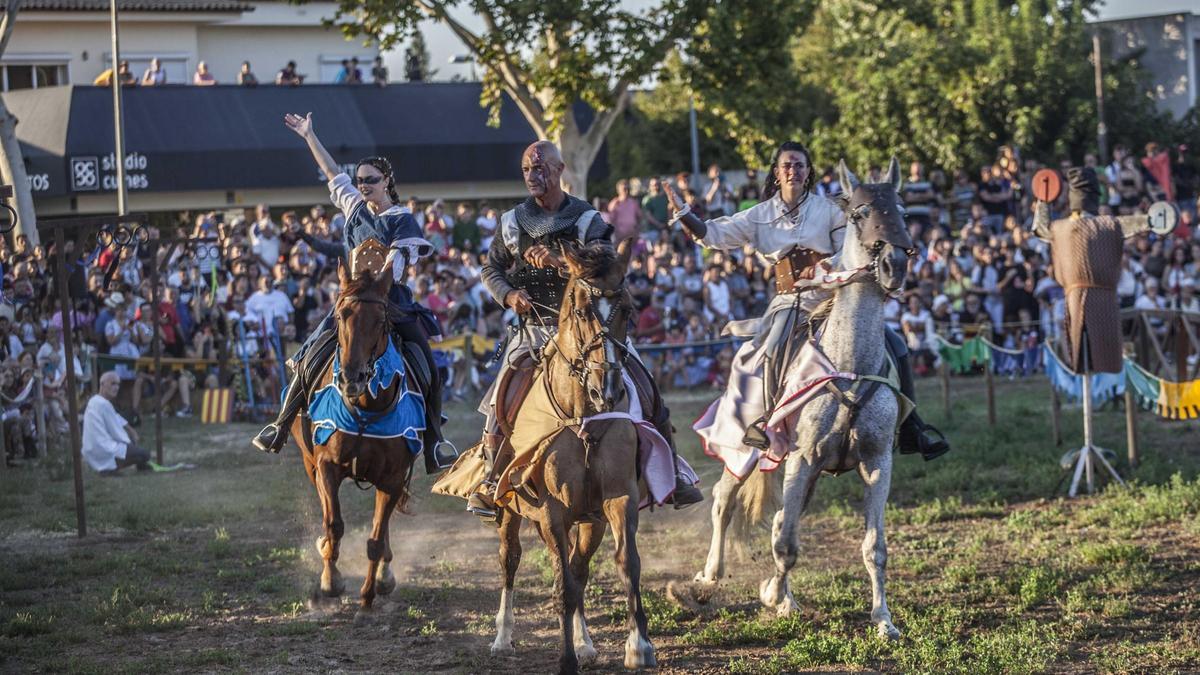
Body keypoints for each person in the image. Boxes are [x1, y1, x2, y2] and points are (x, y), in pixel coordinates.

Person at [666, 140, 949, 461]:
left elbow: (848, 247)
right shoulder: (758, 215)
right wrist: (684, 214)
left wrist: (830, 268)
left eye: (800, 165)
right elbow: (715, 234)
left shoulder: (828, 209)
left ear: (808, 171)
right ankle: (766, 422)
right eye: (787, 165)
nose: (793, 170)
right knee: (773, 349)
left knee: (895, 344)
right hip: (789, 302)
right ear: (776, 173)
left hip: (831, 295)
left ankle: (913, 427)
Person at [464, 140, 703, 518]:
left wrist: (560, 261)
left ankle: (674, 470)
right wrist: (509, 296)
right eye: (527, 169)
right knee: (500, 399)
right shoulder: (512, 222)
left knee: (644, 381)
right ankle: (492, 479)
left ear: (560, 171)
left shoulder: (586, 218)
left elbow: (606, 265)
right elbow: (491, 268)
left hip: (590, 327)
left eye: (541, 168)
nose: (533, 176)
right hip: (536, 328)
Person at [252, 112, 456, 474]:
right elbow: (334, 173)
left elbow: (395, 265)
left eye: (371, 180)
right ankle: (281, 425)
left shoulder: (402, 219)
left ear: (387, 181)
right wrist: (309, 136)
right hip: (349, 303)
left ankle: (434, 441)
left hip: (390, 304)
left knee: (427, 366)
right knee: (308, 357)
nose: (363, 185)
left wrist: (374, 286)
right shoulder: (354, 208)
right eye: (360, 180)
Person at [82, 371, 150, 474]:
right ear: (102, 384)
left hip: (91, 449)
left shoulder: (95, 401)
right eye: (113, 384)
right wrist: (131, 445)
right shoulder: (104, 405)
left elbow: (116, 417)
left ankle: (110, 468)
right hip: (103, 448)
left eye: (118, 384)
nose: (116, 388)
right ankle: (110, 469)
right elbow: (117, 433)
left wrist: (131, 430)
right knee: (144, 454)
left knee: (137, 453)